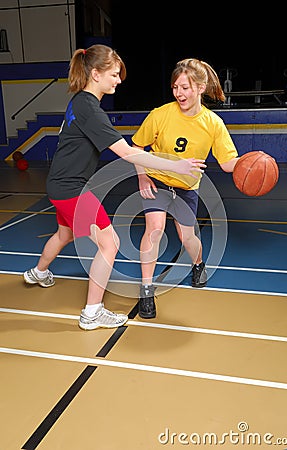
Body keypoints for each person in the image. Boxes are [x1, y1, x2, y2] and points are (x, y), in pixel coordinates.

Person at [23, 45, 204, 331]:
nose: (118, 80)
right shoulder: (89, 109)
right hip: (71, 188)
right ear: (96, 74)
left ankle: (37, 272)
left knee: (64, 233)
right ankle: (92, 312)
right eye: (114, 74)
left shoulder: (78, 102)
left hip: (58, 184)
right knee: (111, 244)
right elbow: (129, 153)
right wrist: (176, 166)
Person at [132, 58, 240, 319]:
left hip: (185, 188)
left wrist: (249, 165)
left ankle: (198, 263)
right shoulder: (160, 115)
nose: (179, 93)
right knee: (155, 230)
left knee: (187, 238)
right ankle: (147, 289)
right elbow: (136, 148)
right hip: (157, 181)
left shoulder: (213, 124)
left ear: (201, 88)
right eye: (175, 88)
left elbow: (227, 163)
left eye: (185, 88)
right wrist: (143, 178)